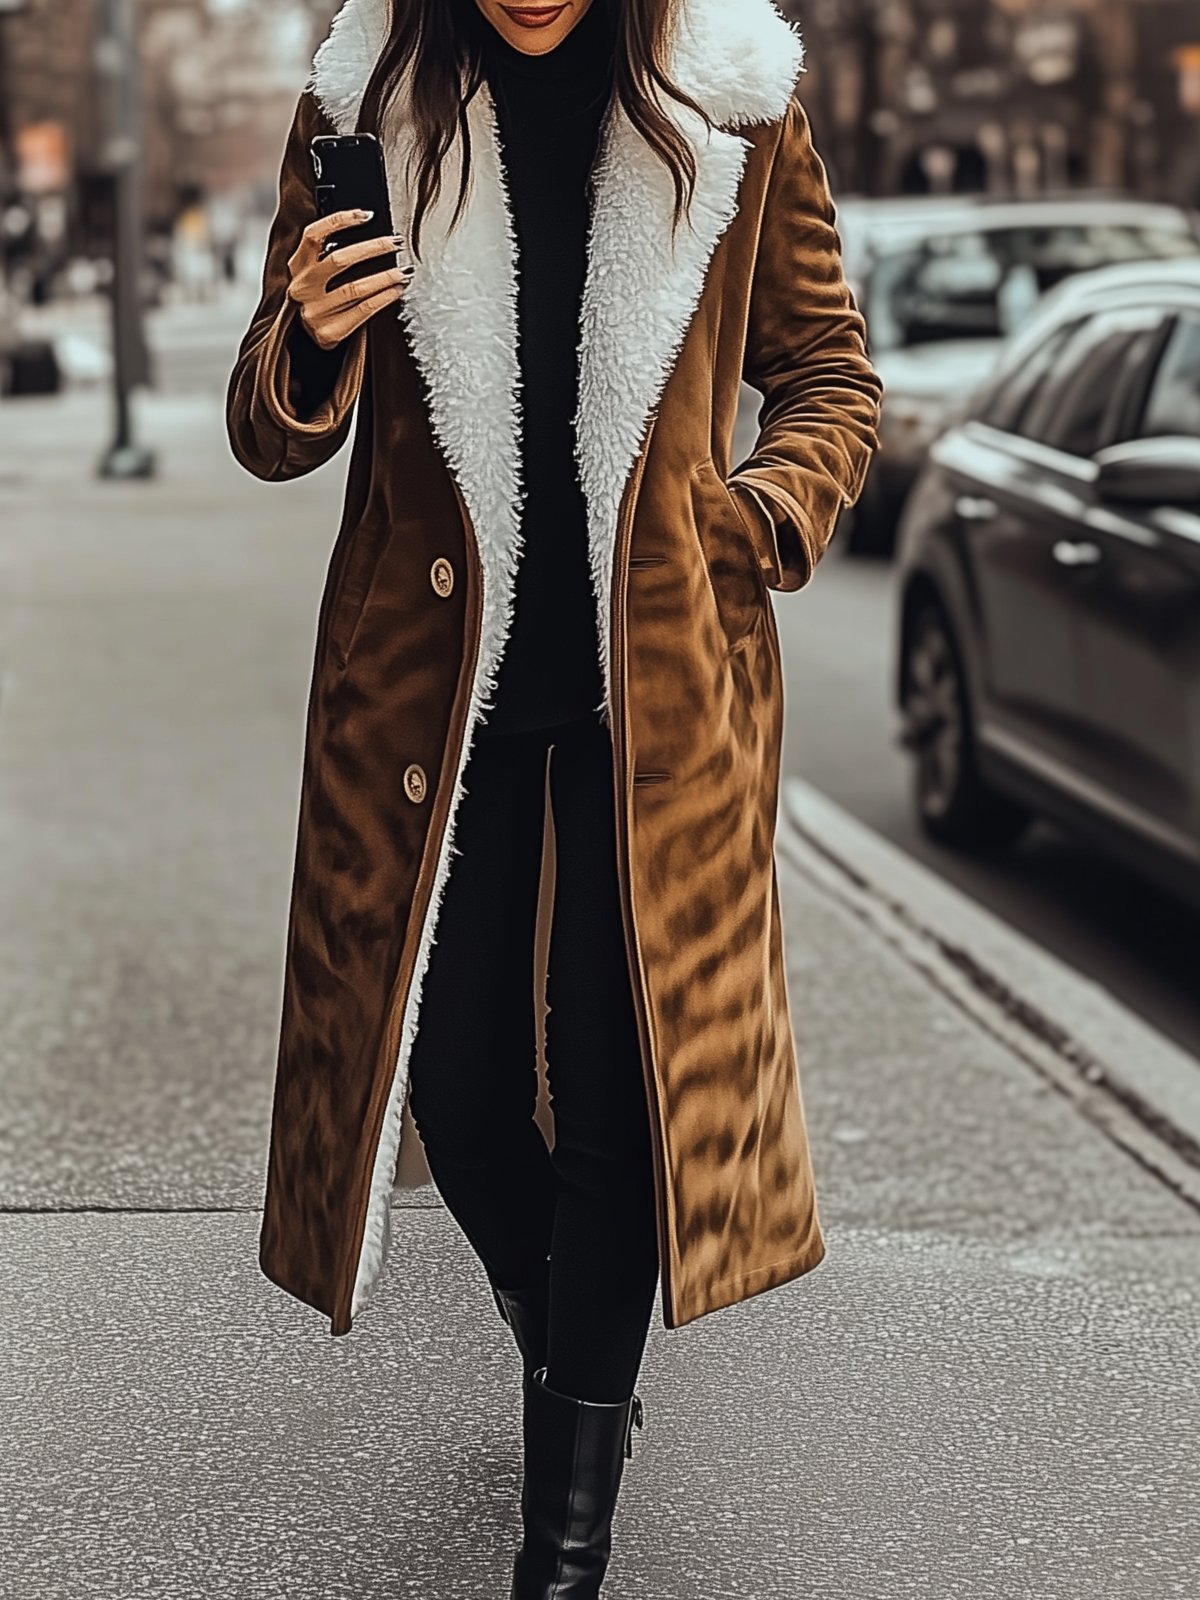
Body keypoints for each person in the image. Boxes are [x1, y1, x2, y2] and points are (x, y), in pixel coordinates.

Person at [225, 0, 882, 1592]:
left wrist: (759, 521)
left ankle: (565, 1534)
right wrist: (306, 339)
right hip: (434, 705)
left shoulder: (734, 102)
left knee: (621, 1089)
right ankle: (565, 1337)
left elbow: (831, 381)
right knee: (449, 1094)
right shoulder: (364, 99)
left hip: (652, 697)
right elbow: (267, 432)